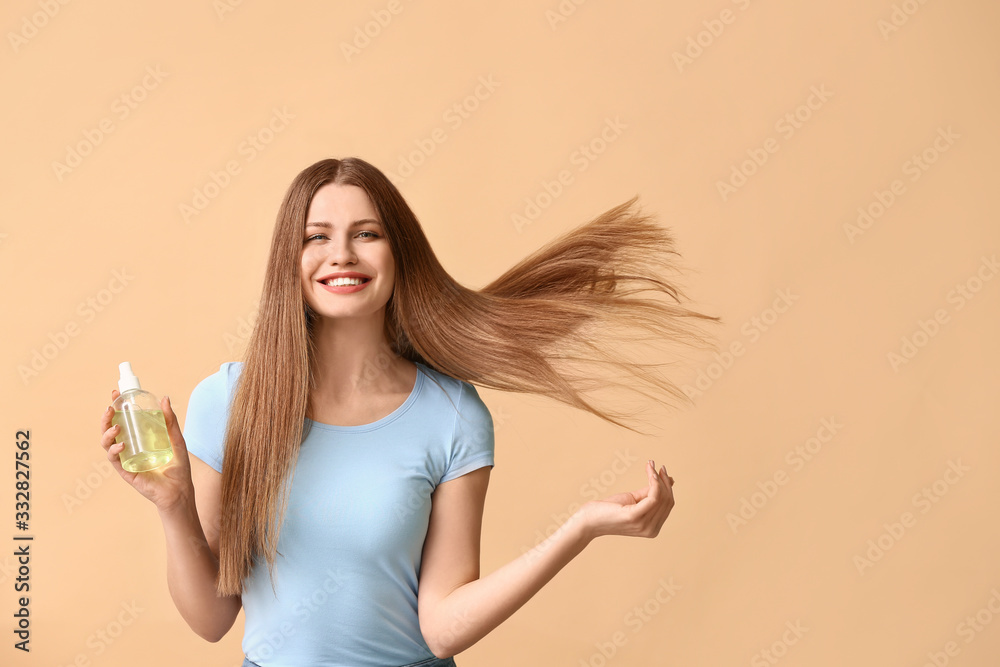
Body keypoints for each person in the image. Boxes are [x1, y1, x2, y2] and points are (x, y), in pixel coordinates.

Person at [98, 157, 720, 666]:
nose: (341, 254)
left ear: (399, 254)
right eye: (317, 237)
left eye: (366, 234)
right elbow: (211, 620)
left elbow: (444, 626)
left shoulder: (451, 414)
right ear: (290, 260)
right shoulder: (230, 401)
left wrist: (579, 528)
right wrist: (174, 506)